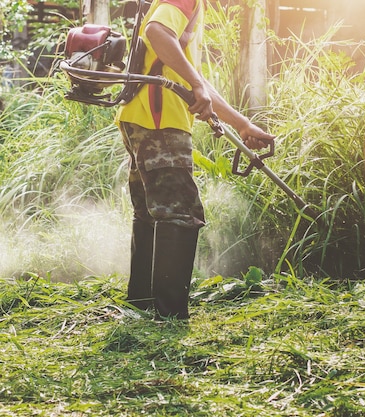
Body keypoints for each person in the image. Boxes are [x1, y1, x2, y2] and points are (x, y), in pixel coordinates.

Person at [115, 0, 275, 319]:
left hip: (140, 117)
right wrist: (197, 84)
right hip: (160, 119)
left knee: (152, 212)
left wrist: (241, 124)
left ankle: (142, 307)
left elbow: (192, 78)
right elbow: (157, 32)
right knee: (179, 213)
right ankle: (170, 315)